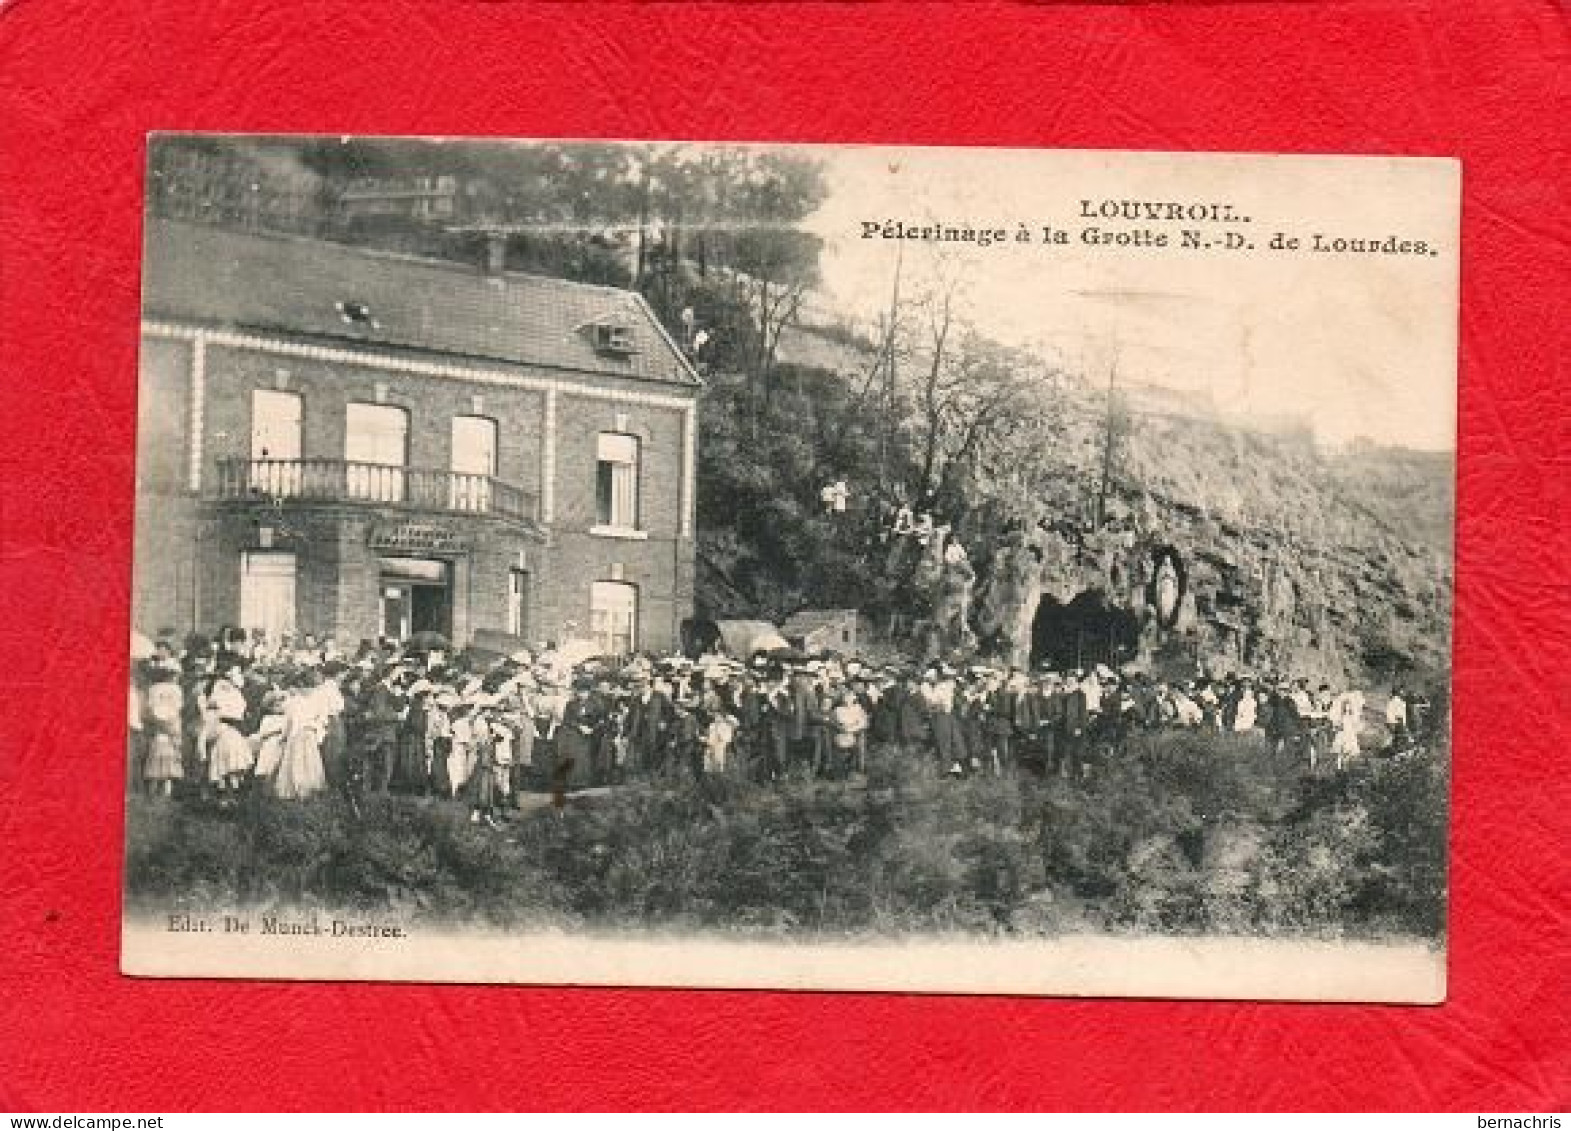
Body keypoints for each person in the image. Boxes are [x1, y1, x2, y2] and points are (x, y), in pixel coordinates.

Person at [272, 671, 327, 800]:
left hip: (297, 734)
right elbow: (322, 719)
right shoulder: (318, 698)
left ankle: (299, 791)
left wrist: (283, 736)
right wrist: (318, 731)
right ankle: (308, 791)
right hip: (309, 733)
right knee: (310, 763)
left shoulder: (294, 701)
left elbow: (289, 721)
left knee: (297, 763)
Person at [142, 660, 184, 798]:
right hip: (172, 723)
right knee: (170, 761)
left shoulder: (153, 688)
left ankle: (152, 793)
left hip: (157, 724)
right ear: (172, 675)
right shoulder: (176, 689)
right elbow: (178, 707)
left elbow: (149, 709)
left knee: (155, 757)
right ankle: (165, 794)